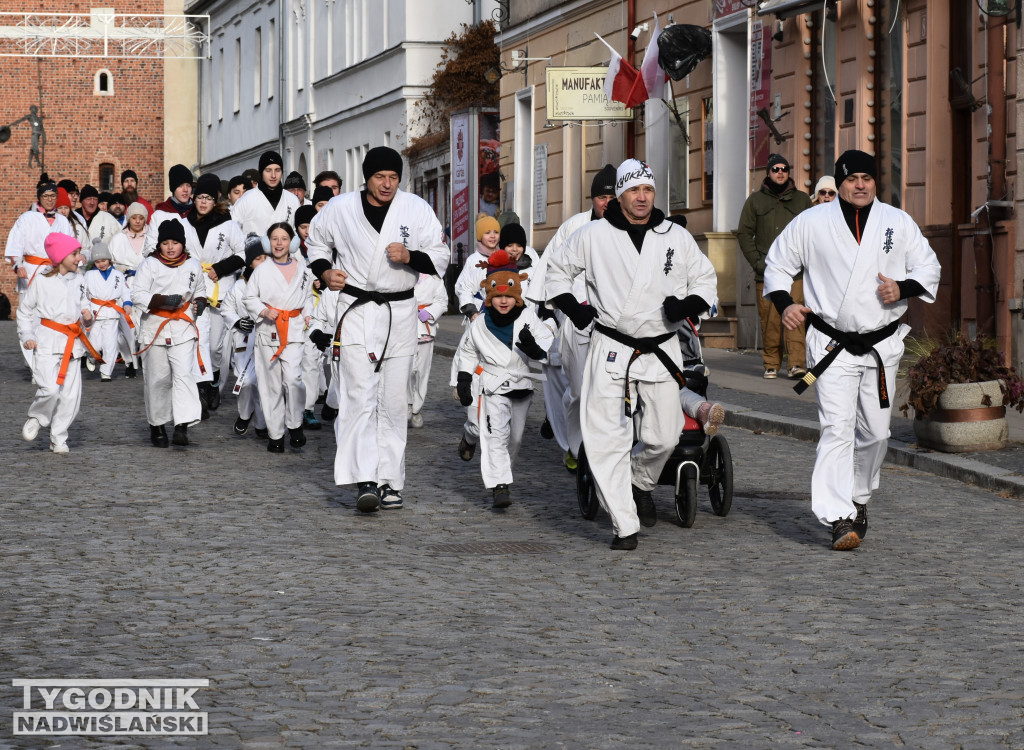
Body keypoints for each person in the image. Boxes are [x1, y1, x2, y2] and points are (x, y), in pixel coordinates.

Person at [764, 149, 941, 551]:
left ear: (876, 182)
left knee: (878, 434)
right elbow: (776, 265)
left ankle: (859, 496)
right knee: (836, 429)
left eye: (867, 178)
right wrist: (785, 304)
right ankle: (838, 516)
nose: (860, 185)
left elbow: (928, 267)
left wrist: (903, 287)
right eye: (851, 178)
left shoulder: (897, 221)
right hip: (832, 342)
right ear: (839, 182)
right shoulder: (811, 222)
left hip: (881, 344)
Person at [545, 159, 718, 551]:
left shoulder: (674, 235)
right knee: (607, 437)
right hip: (612, 345)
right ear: (619, 195)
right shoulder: (592, 235)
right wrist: (574, 308)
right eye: (634, 190)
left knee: (664, 435)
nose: (642, 197)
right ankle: (625, 524)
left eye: (648, 190)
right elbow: (555, 273)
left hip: (662, 347)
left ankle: (640, 480)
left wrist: (686, 303)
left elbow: (705, 280)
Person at [306, 146, 449, 512]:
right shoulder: (339, 209)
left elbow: (440, 255)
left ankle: (390, 481)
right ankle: (365, 479)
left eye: (393, 178)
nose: (387, 185)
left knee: (392, 399)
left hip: (399, 310)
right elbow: (316, 243)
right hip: (354, 310)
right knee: (358, 395)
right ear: (366, 178)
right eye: (379, 177)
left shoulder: (415, 208)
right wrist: (324, 271)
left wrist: (410, 257)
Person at [526, 164, 617, 471]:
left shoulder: (629, 229)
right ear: (592, 199)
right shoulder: (574, 227)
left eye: (614, 196)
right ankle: (571, 444)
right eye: (602, 197)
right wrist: (546, 310)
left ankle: (599, 444)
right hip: (573, 316)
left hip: (614, 322)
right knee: (570, 385)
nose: (608, 202)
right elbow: (551, 270)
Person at [455, 250, 553, 507]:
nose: (503, 301)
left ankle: (502, 473)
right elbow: (467, 351)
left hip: (521, 383)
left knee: (515, 438)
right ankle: (500, 485)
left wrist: (534, 349)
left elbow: (545, 343)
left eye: (507, 296)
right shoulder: (479, 324)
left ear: (516, 294)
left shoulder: (528, 316)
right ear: (489, 296)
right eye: (497, 295)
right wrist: (464, 380)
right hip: (492, 385)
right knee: (495, 435)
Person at [18, 234, 100, 453]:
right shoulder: (42, 280)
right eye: (74, 254)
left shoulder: (80, 280)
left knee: (70, 396)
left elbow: (86, 306)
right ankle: (37, 416)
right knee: (50, 389)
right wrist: (27, 335)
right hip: (47, 342)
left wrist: (88, 315)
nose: (79, 259)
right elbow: (25, 311)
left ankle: (58, 436)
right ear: (61, 256)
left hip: (72, 344)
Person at [736, 154, 812, 380]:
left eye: (784, 169)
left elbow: (811, 233)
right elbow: (744, 233)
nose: (780, 172)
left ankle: (796, 364)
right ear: (768, 173)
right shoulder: (755, 201)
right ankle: (771, 364)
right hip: (766, 272)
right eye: (775, 169)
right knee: (770, 320)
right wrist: (757, 262)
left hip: (796, 272)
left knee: (796, 316)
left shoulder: (802, 200)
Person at [132, 220, 207, 448]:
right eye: (166, 243)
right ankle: (157, 425)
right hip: (155, 326)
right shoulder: (149, 265)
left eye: (175, 242)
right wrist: (162, 301)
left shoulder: (193, 265)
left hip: (182, 327)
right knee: (158, 378)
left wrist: (200, 303)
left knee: (183, 374)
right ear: (159, 245)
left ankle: (182, 425)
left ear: (182, 244)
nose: (171, 247)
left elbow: (200, 290)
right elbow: (137, 294)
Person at [244, 222, 315, 452]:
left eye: (284, 238)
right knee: (271, 384)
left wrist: (308, 315)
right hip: (268, 330)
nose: (279, 243)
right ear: (268, 242)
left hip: (293, 330)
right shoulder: (261, 270)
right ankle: (276, 435)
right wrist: (262, 310)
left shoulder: (303, 270)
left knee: (293, 380)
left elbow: (307, 299)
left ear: (292, 242)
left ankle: (295, 424)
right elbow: (249, 297)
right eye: (274, 238)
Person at [187, 172, 246, 403]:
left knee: (215, 346)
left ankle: (215, 378)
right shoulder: (185, 223)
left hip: (220, 287)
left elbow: (242, 253)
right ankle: (201, 386)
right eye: (200, 197)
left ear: (216, 200)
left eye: (208, 198)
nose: (203, 202)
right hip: (194, 289)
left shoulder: (228, 225)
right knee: (197, 340)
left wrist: (221, 268)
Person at [6, 176, 75, 368]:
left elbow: (71, 247)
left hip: (55, 272)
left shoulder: (62, 221)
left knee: (53, 314)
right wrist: (18, 266)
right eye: (46, 196)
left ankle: (52, 358)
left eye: (53, 195)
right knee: (30, 315)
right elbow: (15, 247)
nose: (50, 199)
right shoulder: (27, 218)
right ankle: (34, 363)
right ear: (39, 197)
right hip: (31, 271)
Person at [221, 237, 270, 438]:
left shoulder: (274, 283)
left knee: (264, 383)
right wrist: (237, 322)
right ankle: (244, 414)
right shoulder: (238, 287)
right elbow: (226, 309)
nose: (263, 262)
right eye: (258, 258)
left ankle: (262, 424)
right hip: (244, 341)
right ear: (250, 262)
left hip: (268, 339)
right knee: (247, 382)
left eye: (266, 257)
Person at [83, 239, 134, 382]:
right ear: (94, 262)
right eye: (98, 261)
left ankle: (106, 372)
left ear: (109, 259)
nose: (102, 264)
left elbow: (125, 291)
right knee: (94, 344)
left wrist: (127, 303)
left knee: (110, 345)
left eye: (104, 260)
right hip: (95, 313)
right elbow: (84, 295)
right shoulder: (89, 275)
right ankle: (91, 356)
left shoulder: (117, 275)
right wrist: (85, 309)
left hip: (112, 313)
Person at [408, 268, 448, 429]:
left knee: (421, 372)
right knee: (406, 370)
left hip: (425, 328)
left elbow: (442, 301)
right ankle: (408, 403)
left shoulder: (435, 279)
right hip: (404, 327)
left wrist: (430, 312)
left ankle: (417, 408)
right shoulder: (403, 274)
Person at [231, 151, 301, 237]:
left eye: (277, 170)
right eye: (268, 170)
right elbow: (232, 232)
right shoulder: (246, 200)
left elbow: (298, 232)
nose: (273, 175)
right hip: (253, 250)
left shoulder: (292, 200)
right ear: (261, 172)